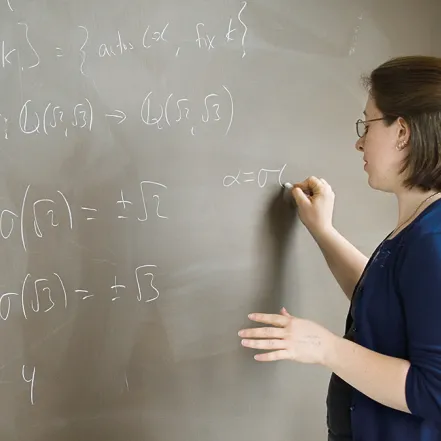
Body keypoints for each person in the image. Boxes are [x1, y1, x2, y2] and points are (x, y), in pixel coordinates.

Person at [238, 55, 441, 441]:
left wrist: (325, 348)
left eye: (368, 123)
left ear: (402, 132)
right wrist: (323, 231)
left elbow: (436, 391)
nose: (359, 140)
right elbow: (387, 300)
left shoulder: (434, 239)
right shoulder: (420, 223)